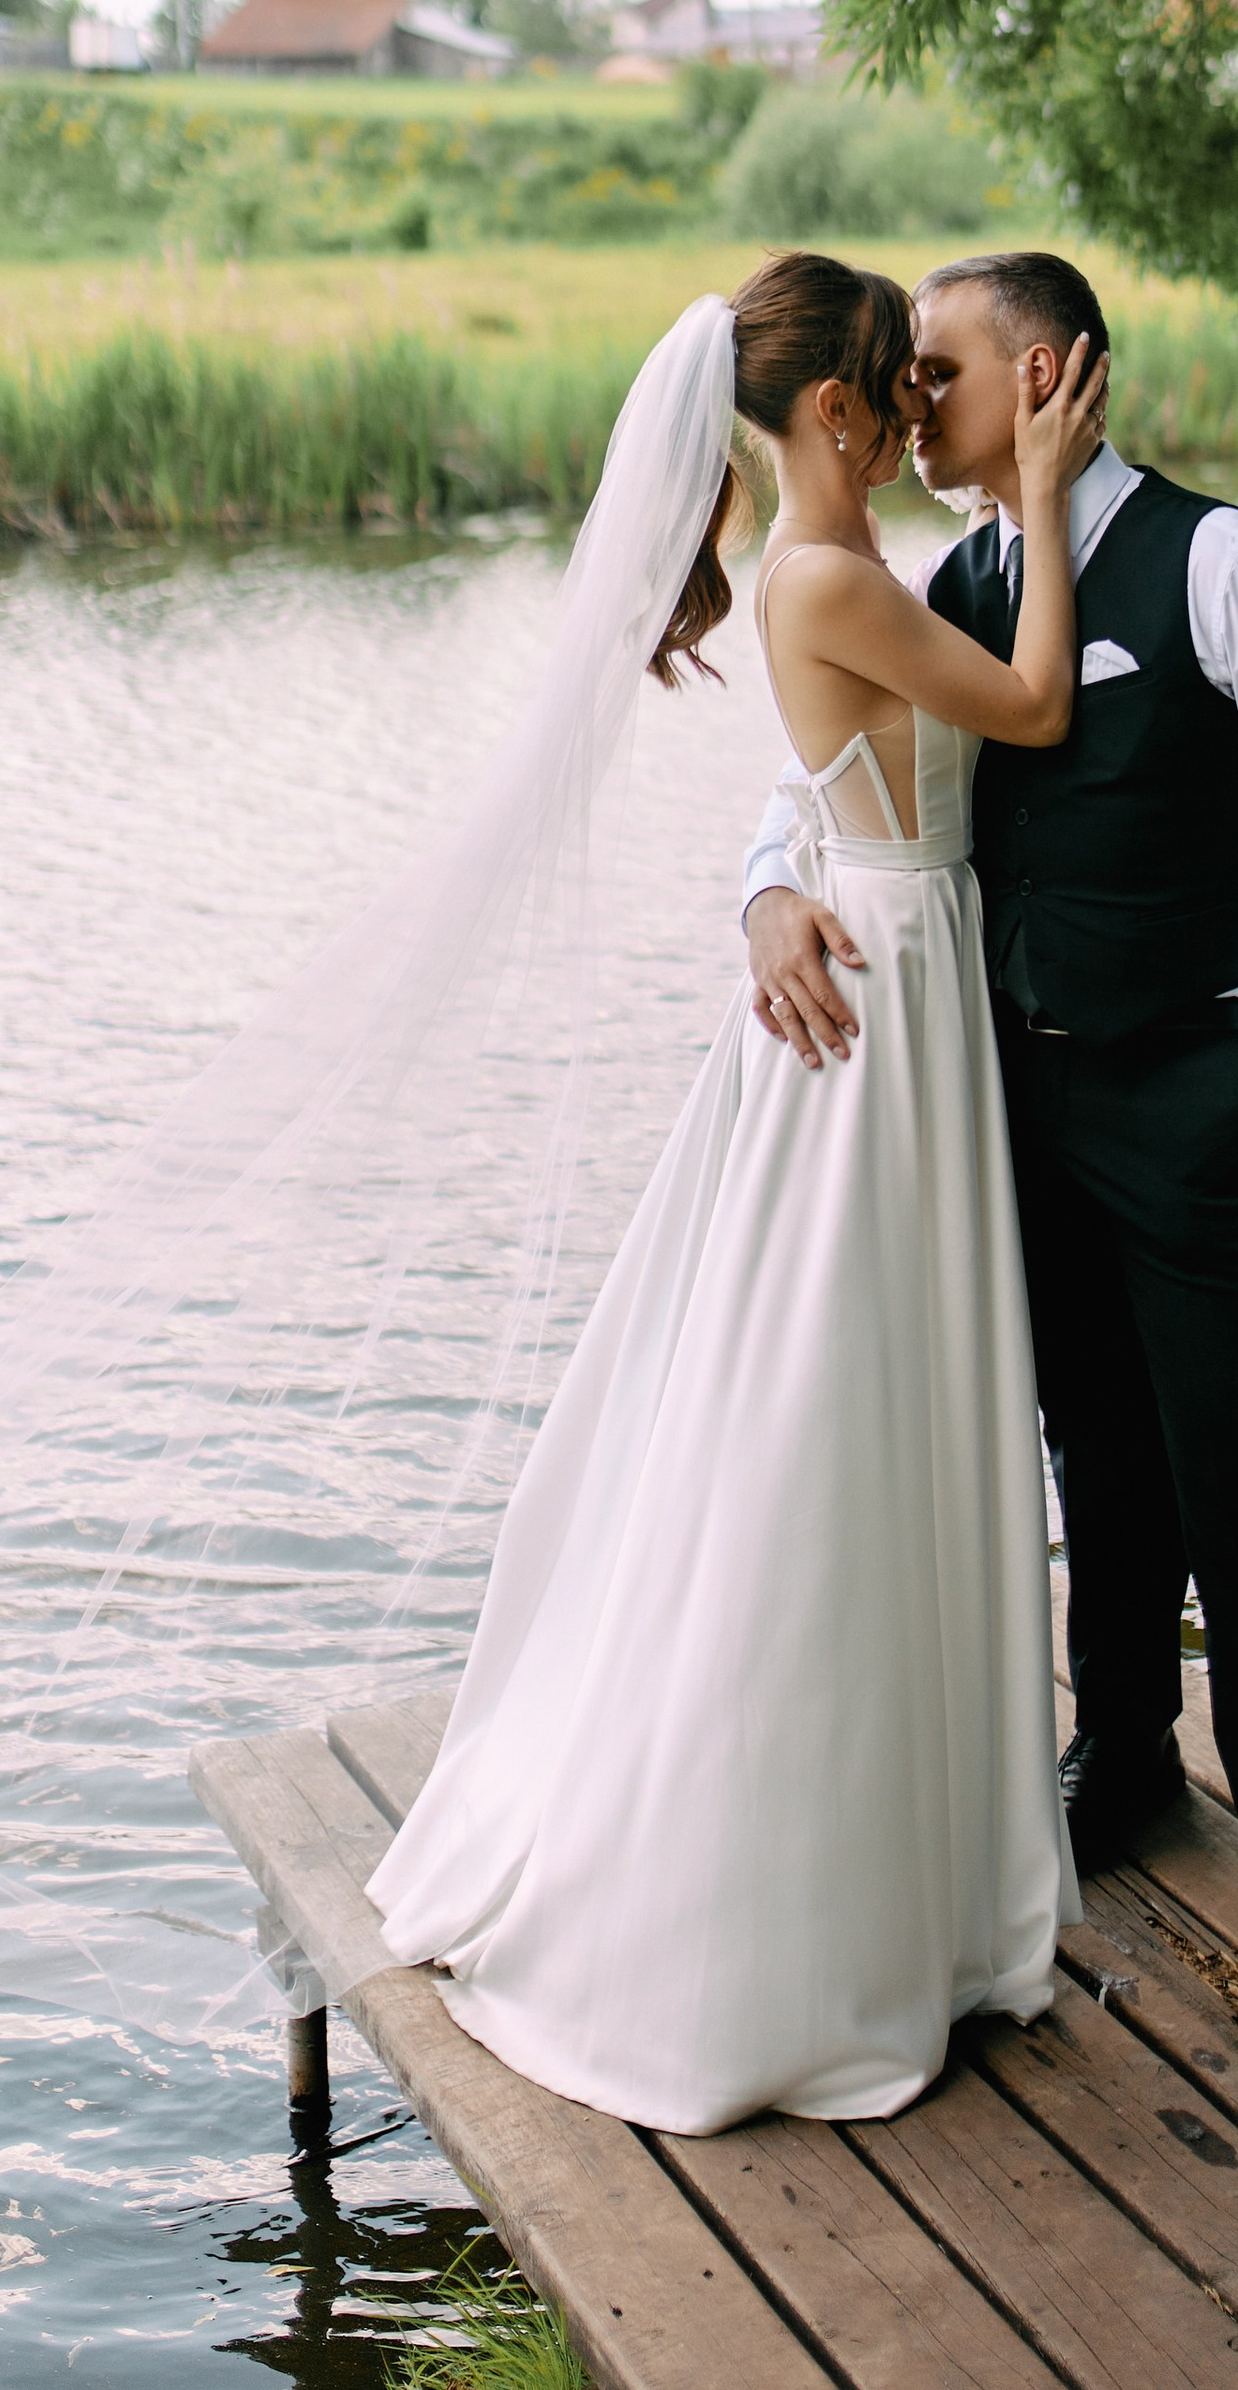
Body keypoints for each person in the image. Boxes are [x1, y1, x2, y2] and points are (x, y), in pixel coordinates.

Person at [369, 251, 1110, 2134]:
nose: (935, 410)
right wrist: (1037, 486)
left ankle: (925, 1892)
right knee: (838, 1409)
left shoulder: (834, 569)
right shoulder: (835, 573)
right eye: (909, 383)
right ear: (846, 412)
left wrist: (766, 884)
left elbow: (830, 786)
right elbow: (1031, 713)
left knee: (867, 1394)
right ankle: (781, 1915)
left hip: (881, 956)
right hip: (894, 994)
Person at [744, 250, 1238, 2041]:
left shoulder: (1225, 564)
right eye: (899, 382)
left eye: (943, 373)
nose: (911, 404)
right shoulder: (952, 573)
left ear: (1050, 377)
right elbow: (825, 760)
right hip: (1010, 1100)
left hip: (1203, 1094)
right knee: (1090, 1456)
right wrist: (761, 897)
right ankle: (1120, 1759)